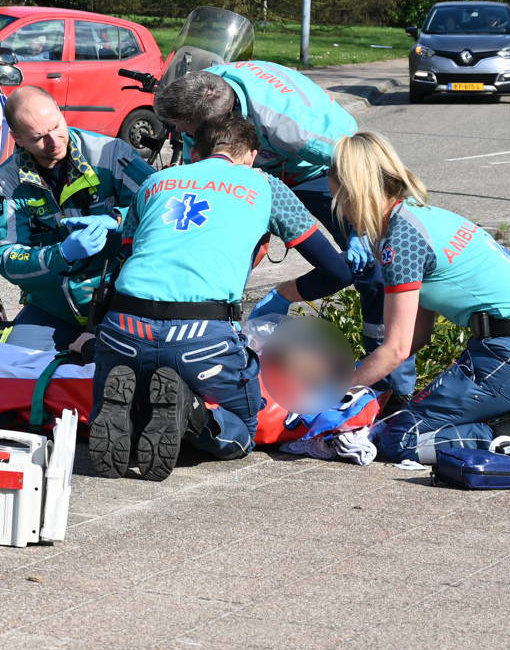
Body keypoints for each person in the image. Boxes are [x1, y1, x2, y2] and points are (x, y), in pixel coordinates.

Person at [262, 131, 510, 464]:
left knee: (400, 439)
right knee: (400, 420)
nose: (345, 217)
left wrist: (331, 396)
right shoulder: (422, 216)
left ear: (353, 192)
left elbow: (395, 350)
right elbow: (415, 336)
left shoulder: (400, 240)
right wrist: (364, 383)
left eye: (340, 204)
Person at [87, 116, 350, 481]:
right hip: (201, 334)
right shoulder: (265, 186)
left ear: (195, 152)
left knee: (135, 378)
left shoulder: (154, 183)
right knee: (244, 426)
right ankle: (195, 412)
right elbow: (336, 271)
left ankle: (134, 415)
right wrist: (283, 294)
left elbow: (129, 252)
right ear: (252, 156)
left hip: (124, 326)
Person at [151, 58, 405, 399]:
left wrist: (363, 229)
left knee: (372, 270)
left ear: (222, 124)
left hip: (316, 170)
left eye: (188, 131)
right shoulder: (206, 90)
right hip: (256, 167)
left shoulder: (296, 127)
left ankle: (386, 378)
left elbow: (364, 169)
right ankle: (211, 342)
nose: (182, 136)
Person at [0, 87, 152, 352]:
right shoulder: (5, 185)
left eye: (56, 126)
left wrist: (118, 219)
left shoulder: (111, 154)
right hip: (53, 308)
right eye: (39, 137)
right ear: (18, 139)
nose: (54, 141)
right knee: (15, 364)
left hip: (122, 302)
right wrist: (60, 254)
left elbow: (162, 207)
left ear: (61, 112)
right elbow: (5, 256)